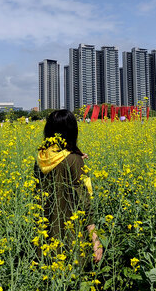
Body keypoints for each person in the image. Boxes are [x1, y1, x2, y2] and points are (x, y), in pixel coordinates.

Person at [34, 109, 103, 263]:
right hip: (69, 235)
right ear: (72, 131)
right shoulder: (73, 160)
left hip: (43, 234)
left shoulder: (40, 158)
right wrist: (95, 240)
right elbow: (84, 202)